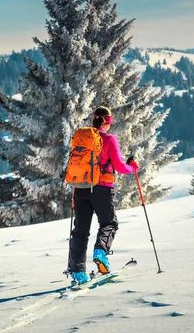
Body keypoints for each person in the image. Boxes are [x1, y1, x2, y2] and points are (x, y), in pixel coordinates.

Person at [69, 106, 139, 284]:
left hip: (80, 187)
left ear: (93, 119)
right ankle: (100, 252)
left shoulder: (82, 139)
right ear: (108, 122)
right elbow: (119, 166)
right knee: (108, 223)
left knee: (80, 231)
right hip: (102, 188)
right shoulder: (109, 139)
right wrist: (133, 167)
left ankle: (77, 272)